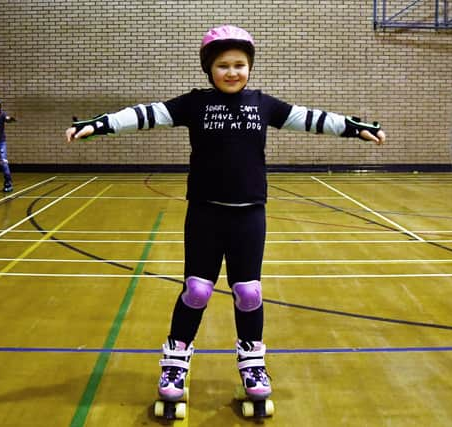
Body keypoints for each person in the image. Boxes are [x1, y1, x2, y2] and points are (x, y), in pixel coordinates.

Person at [65, 25, 385, 404]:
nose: (232, 72)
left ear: (249, 67)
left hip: (249, 215)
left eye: (239, 64)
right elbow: (144, 114)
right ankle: (175, 361)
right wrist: (98, 125)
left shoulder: (263, 104)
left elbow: (312, 118)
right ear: (209, 69)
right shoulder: (193, 103)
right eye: (223, 65)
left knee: (248, 292)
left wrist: (353, 127)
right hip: (205, 214)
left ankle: (252, 361)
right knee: (197, 290)